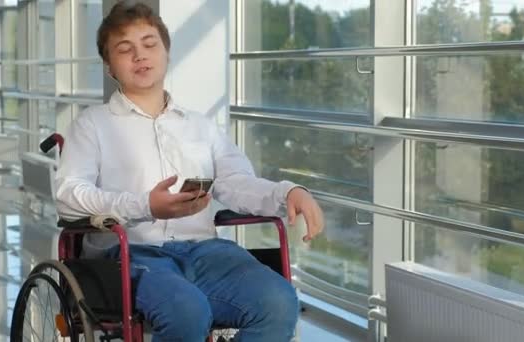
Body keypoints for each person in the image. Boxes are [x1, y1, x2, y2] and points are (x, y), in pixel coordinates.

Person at [55, 2, 324, 341]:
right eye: (125, 49)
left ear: (166, 52)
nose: (140, 55)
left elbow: (236, 183)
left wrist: (287, 192)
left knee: (279, 302)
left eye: (149, 44)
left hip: (204, 252)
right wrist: (145, 206)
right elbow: (68, 197)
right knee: (187, 310)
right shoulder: (92, 125)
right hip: (129, 254)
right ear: (110, 67)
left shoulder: (201, 127)